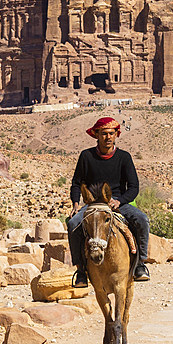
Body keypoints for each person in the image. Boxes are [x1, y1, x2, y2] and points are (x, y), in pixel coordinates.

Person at [67, 116, 150, 288]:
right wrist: (76, 203)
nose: (108, 137)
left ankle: (141, 264)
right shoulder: (86, 156)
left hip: (119, 203)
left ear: (116, 135)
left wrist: (120, 201)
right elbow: (76, 183)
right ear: (96, 135)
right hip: (93, 204)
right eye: (104, 134)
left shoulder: (124, 157)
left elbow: (134, 187)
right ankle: (81, 270)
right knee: (73, 224)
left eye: (111, 133)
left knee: (141, 219)